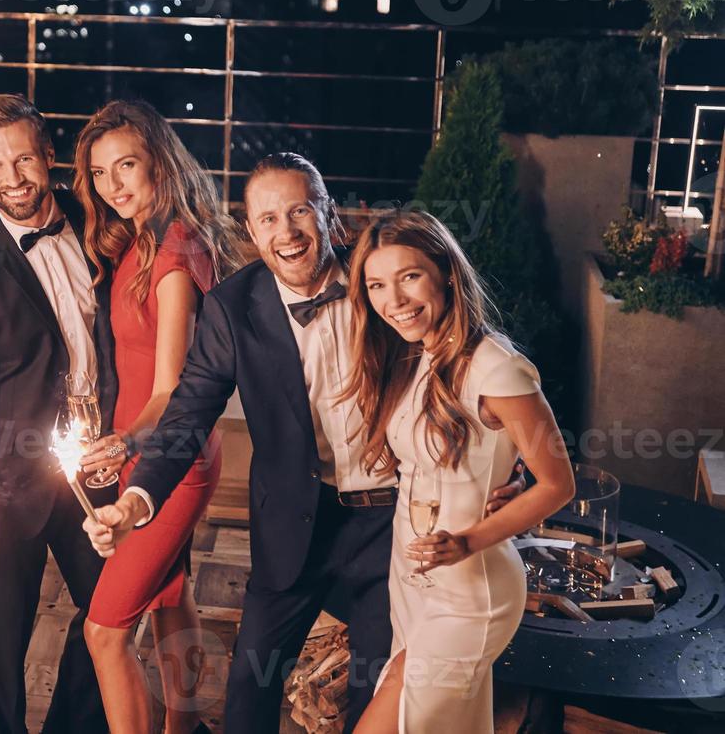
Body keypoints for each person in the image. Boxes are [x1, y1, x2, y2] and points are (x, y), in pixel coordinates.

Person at [83, 153, 521, 734]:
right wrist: (136, 500)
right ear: (250, 232)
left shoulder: (383, 287)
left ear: (328, 216)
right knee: (247, 696)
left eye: (298, 212)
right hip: (291, 524)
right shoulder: (232, 308)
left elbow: (483, 369)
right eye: (267, 219)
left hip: (391, 527)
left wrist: (511, 475)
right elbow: (187, 414)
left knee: (373, 701)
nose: (286, 233)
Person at [0, 93, 118, 734]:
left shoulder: (101, 234)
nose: (13, 178)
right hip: (8, 482)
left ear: (49, 156)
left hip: (97, 464)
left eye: (24, 159)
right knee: (2, 643)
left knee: (110, 616)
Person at [343, 210, 574, 734]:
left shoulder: (497, 367)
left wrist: (470, 541)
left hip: (472, 586)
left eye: (409, 276)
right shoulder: (415, 356)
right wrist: (505, 471)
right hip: (411, 572)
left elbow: (559, 483)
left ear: (446, 271)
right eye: (377, 284)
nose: (394, 300)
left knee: (404, 717)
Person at [71, 101, 243, 734]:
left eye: (127, 167)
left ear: (159, 166)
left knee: (104, 631)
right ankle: (184, 726)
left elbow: (172, 389)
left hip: (170, 455)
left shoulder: (174, 256)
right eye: (99, 173)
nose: (114, 185)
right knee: (172, 595)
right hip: (141, 448)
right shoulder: (136, 240)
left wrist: (125, 442)